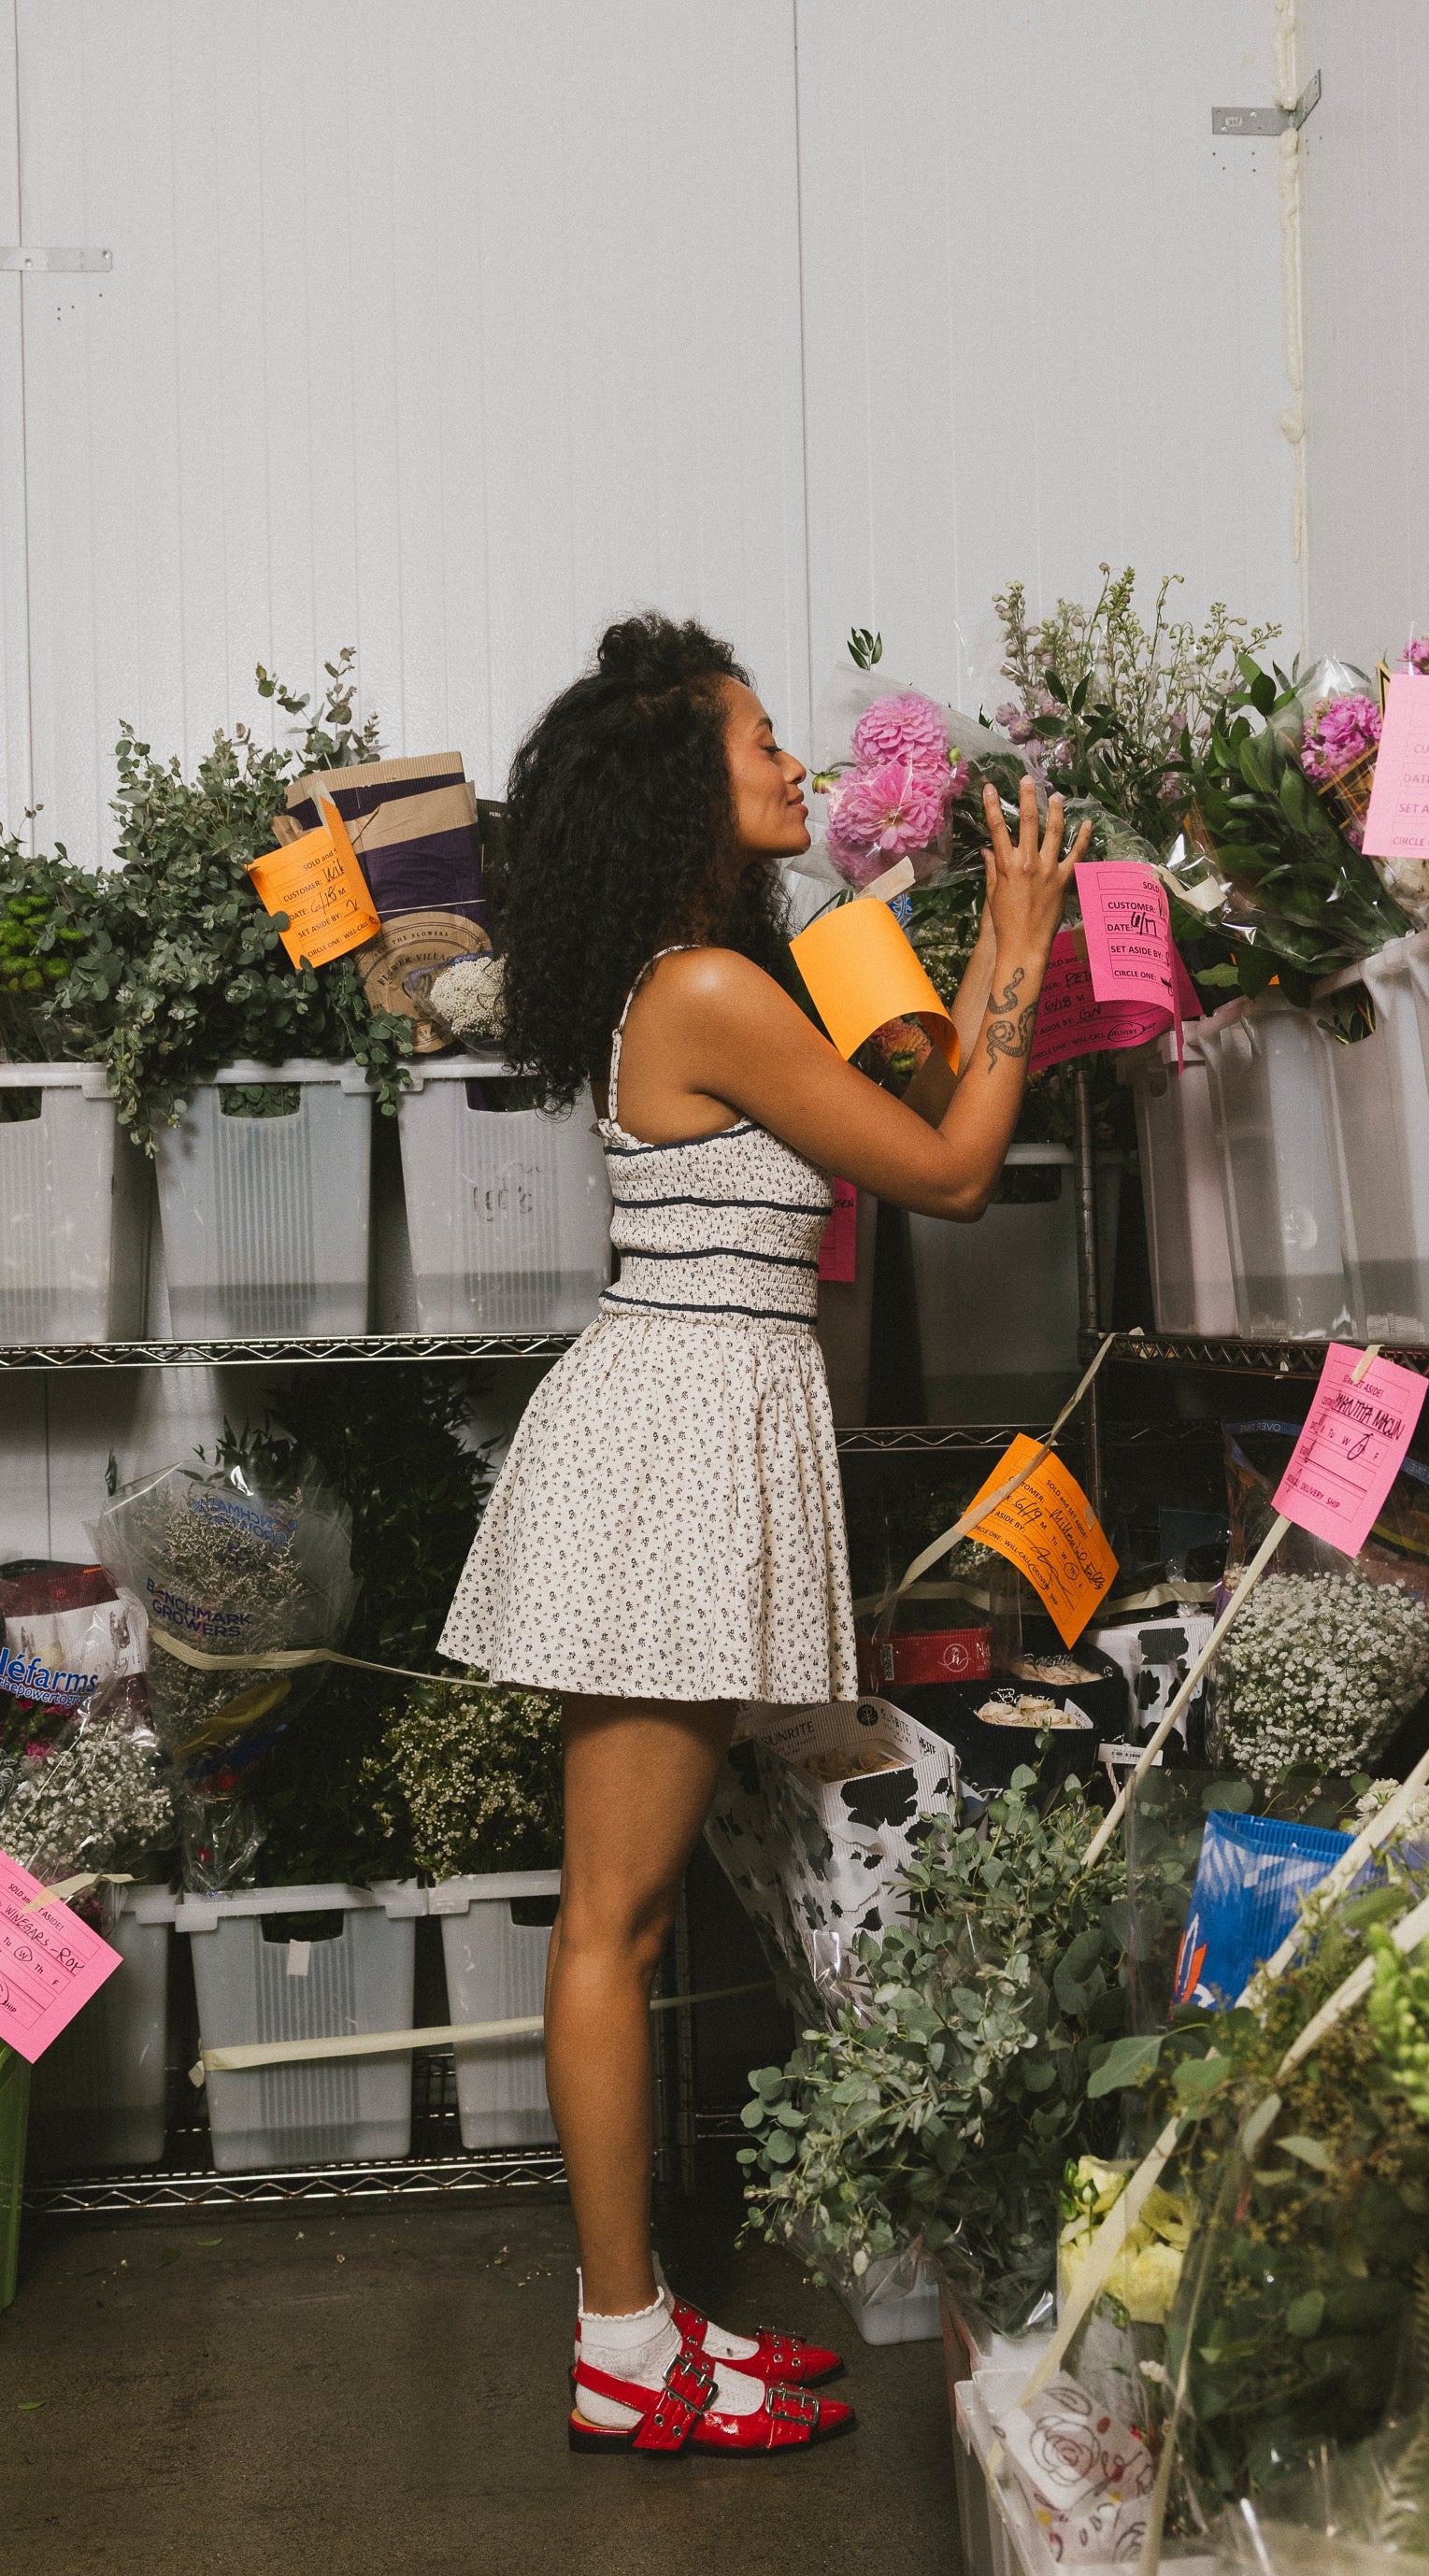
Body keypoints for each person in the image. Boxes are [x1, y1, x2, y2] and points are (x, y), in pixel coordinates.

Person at [440, 614, 1086, 2456]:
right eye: (755, 740)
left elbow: (916, 1129)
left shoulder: (717, 976)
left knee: (627, 1914)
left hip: (702, 1419)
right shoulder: (707, 991)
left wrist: (989, 962)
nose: (794, 762)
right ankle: (619, 2347)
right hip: (671, 1439)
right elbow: (953, 1174)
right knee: (614, 1919)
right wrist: (1015, 949)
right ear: (680, 786)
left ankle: (643, 2323)